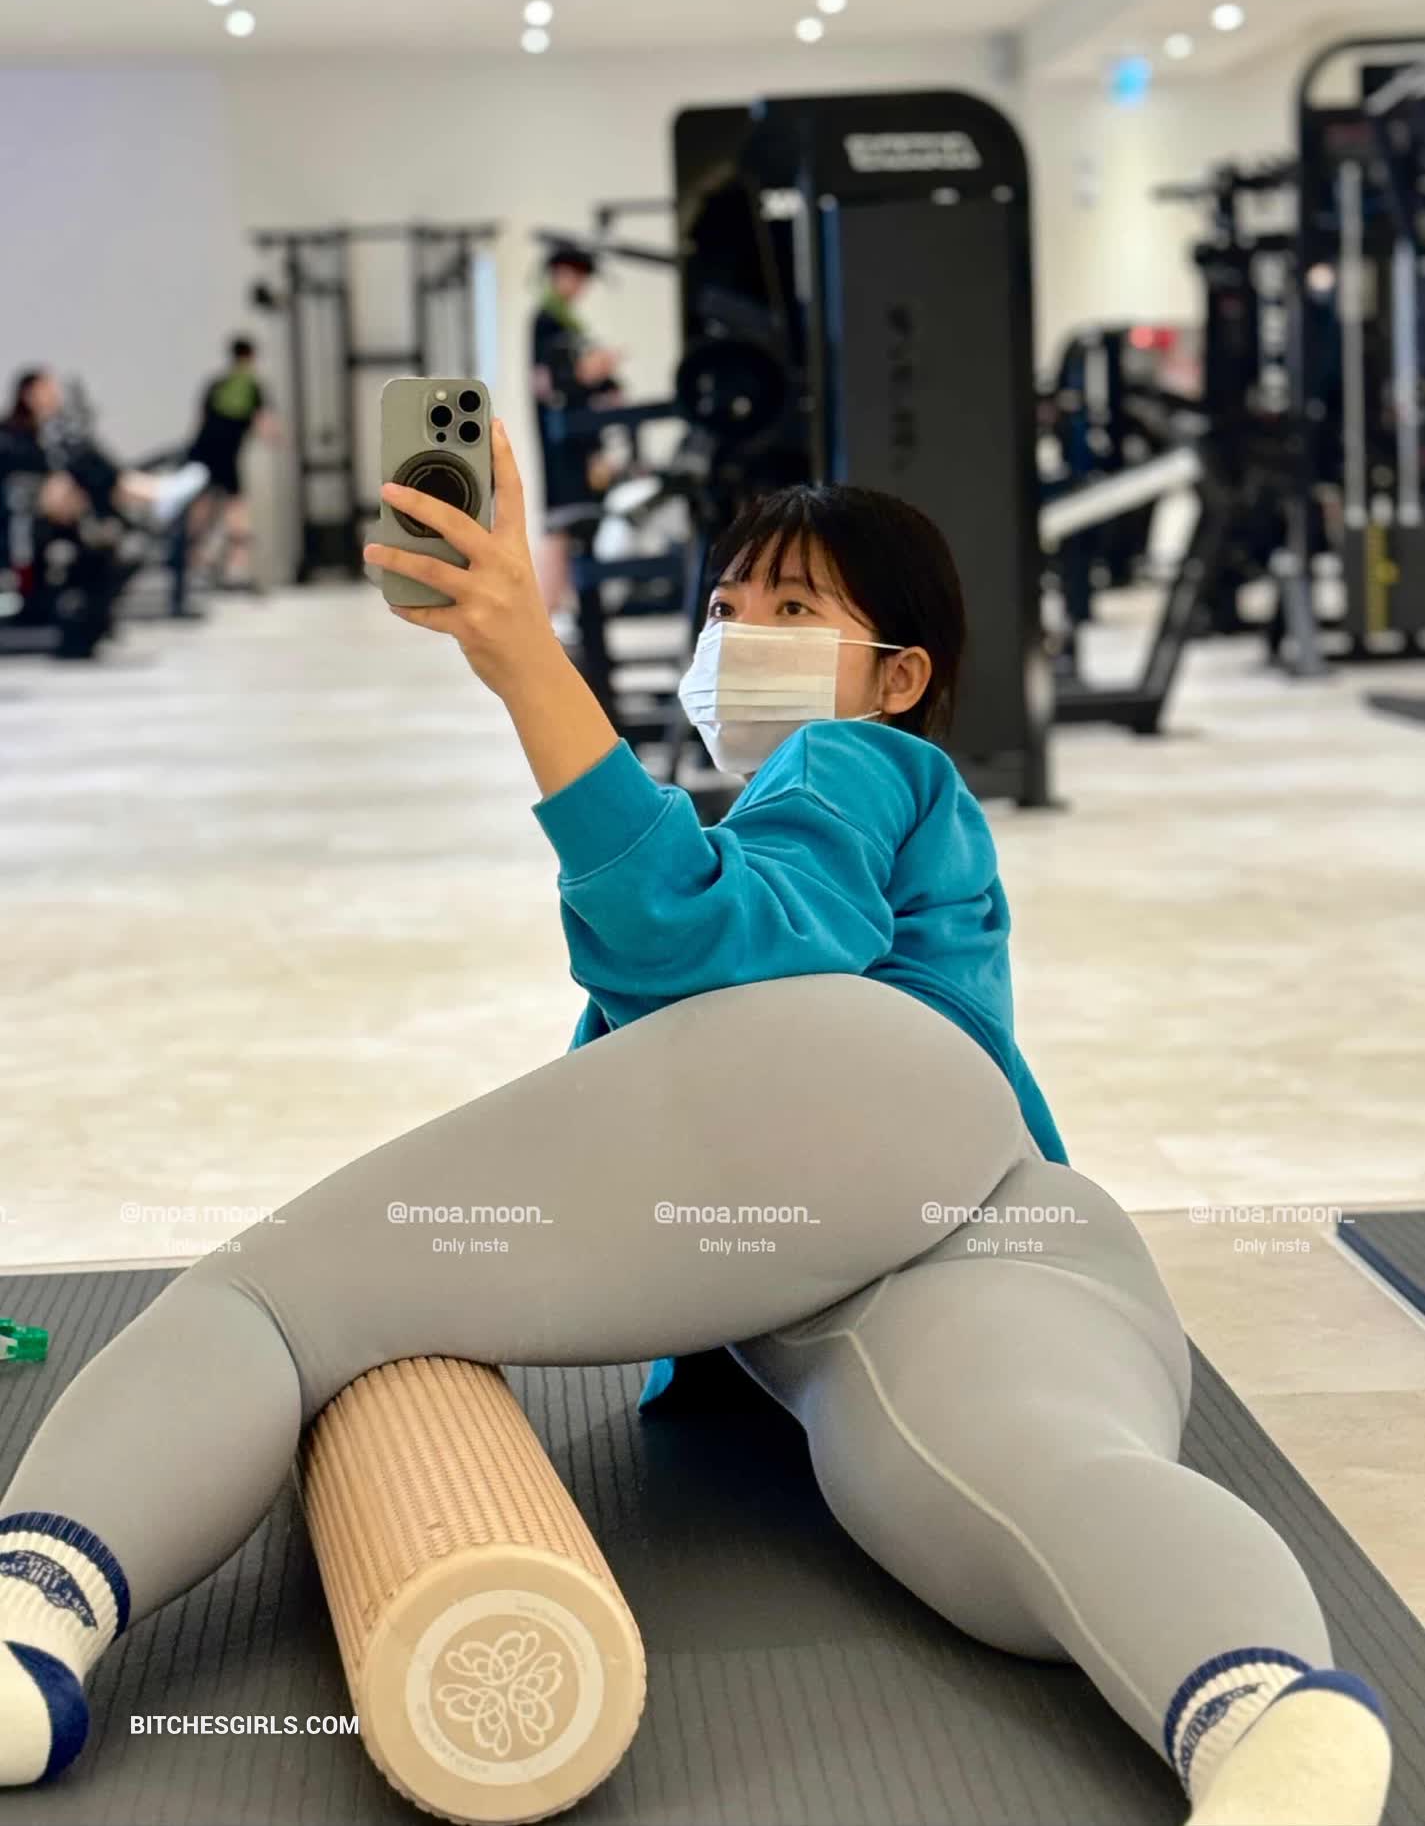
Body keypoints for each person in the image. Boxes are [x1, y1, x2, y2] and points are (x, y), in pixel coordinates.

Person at [0, 422, 1392, 1826]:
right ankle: (1263, 1712)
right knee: (1032, 1470)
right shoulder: (881, 809)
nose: (739, 635)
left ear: (899, 677)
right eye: (726, 607)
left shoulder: (851, 760)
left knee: (279, 1301)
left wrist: (526, 661)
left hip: (853, 1108)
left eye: (794, 609)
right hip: (1007, 1207)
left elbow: (709, 937)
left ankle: (28, 1614)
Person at [0, 368, 208, 656]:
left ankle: (148, 494)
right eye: (48, 389)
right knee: (86, 469)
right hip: (26, 520)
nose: (55, 395)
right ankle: (153, 493)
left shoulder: (51, 433)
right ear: (29, 394)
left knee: (86, 464)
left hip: (63, 514)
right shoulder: (12, 435)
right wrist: (49, 486)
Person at [529, 243, 624, 620]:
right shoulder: (546, 323)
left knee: (574, 529)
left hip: (580, 442)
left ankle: (560, 611)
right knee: (561, 527)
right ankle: (542, 613)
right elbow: (551, 383)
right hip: (563, 446)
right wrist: (591, 372)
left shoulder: (567, 324)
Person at [182, 336, 278, 592]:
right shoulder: (251, 386)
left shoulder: (216, 384)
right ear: (251, 357)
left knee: (201, 510)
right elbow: (264, 424)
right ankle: (236, 569)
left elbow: (200, 421)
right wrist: (278, 438)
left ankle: (191, 562)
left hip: (202, 452)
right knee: (236, 511)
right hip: (225, 457)